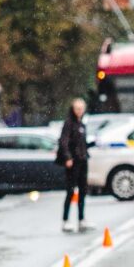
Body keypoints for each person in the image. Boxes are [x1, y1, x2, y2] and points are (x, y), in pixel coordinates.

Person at [55, 98, 91, 233]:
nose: (79, 111)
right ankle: (65, 220)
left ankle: (81, 219)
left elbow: (82, 143)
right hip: (73, 162)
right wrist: (68, 157)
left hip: (83, 160)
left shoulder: (82, 124)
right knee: (70, 191)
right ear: (73, 109)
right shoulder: (69, 123)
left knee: (83, 190)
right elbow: (63, 142)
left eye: (81, 108)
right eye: (77, 108)